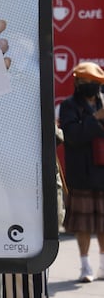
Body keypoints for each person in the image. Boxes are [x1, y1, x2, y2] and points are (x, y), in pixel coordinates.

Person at [59, 61, 104, 283]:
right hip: (82, 173)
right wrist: (96, 119)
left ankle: (103, 265)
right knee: (83, 224)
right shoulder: (69, 106)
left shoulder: (103, 102)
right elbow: (73, 136)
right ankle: (85, 265)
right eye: (86, 81)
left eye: (95, 82)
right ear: (77, 82)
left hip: (102, 173)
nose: (91, 86)